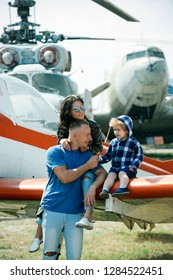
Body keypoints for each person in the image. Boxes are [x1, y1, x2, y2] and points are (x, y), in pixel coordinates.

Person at [29, 95, 103, 253]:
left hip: (88, 159)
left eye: (82, 108)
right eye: (76, 109)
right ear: (69, 111)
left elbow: (99, 145)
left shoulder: (92, 126)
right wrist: (62, 141)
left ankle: (88, 214)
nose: (81, 111)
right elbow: (62, 141)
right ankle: (38, 233)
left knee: (87, 178)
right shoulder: (64, 127)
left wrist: (88, 150)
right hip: (71, 161)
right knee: (50, 188)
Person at [41, 119, 107, 260]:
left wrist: (93, 187)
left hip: (75, 216)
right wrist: (87, 166)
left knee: (74, 259)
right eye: (87, 134)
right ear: (75, 136)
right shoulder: (54, 152)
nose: (90, 138)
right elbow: (64, 177)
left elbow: (102, 173)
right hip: (53, 211)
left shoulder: (87, 155)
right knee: (49, 256)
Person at [99, 115, 144, 199]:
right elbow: (108, 155)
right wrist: (101, 159)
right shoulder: (113, 142)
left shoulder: (133, 142)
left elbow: (139, 156)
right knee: (110, 175)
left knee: (122, 173)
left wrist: (134, 165)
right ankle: (105, 190)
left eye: (118, 130)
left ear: (126, 130)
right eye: (114, 130)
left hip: (128, 168)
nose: (116, 132)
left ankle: (123, 187)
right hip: (115, 168)